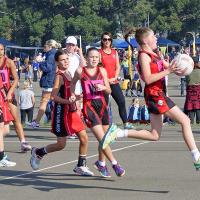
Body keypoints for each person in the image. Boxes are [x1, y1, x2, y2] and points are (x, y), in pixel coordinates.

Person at [101, 27, 200, 171]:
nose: (156, 38)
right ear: (146, 40)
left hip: (158, 93)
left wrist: (182, 66)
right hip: (155, 94)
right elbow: (147, 78)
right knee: (185, 120)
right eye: (154, 36)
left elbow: (170, 68)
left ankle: (118, 132)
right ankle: (196, 155)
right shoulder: (144, 56)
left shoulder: (155, 54)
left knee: (154, 135)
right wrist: (168, 71)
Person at [30, 50, 94, 176]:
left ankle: (81, 165)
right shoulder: (59, 76)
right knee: (61, 145)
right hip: (61, 113)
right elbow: (53, 97)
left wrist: (77, 96)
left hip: (72, 111)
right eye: (63, 60)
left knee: (84, 138)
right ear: (57, 62)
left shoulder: (69, 73)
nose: (66, 61)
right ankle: (38, 152)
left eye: (67, 59)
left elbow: (69, 93)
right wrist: (67, 101)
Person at [70, 47, 125, 178]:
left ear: (99, 59)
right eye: (91, 57)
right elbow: (72, 84)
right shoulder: (80, 71)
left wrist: (103, 87)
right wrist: (73, 95)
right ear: (86, 58)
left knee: (105, 138)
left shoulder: (102, 71)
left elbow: (109, 91)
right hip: (89, 107)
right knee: (103, 138)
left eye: (96, 57)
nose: (94, 59)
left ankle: (101, 163)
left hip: (102, 105)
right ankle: (115, 164)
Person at [99, 32, 134, 129]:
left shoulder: (114, 52)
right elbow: (98, 69)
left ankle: (126, 123)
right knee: (104, 105)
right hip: (103, 83)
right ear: (102, 40)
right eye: (105, 39)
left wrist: (114, 77)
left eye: (109, 39)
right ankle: (103, 126)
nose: (107, 41)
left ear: (111, 41)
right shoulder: (99, 53)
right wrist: (106, 80)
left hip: (113, 82)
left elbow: (118, 66)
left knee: (121, 101)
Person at [0, 43, 31, 152]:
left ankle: (23, 142)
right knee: (4, 125)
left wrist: (10, 93)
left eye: (2, 49)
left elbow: (16, 79)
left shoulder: (8, 62)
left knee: (16, 118)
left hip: (8, 94)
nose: (0, 52)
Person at [31, 40, 59, 128]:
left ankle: (37, 121)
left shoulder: (51, 55)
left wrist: (39, 62)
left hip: (49, 81)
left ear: (50, 46)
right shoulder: (53, 53)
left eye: (45, 46)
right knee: (52, 102)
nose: (44, 48)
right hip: (52, 80)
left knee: (44, 101)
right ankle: (44, 121)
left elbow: (48, 68)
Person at [64, 36, 86, 139]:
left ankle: (74, 128)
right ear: (66, 44)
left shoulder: (77, 56)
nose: (71, 47)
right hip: (65, 85)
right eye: (69, 44)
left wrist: (80, 53)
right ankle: (70, 129)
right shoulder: (63, 55)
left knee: (76, 108)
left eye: (73, 45)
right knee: (69, 108)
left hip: (76, 85)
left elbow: (84, 65)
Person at [0, 74, 16, 167]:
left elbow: (2, 88)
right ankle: (1, 157)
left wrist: (5, 104)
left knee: (6, 130)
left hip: (2, 102)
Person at [184, 56, 200, 124]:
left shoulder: (188, 72)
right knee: (198, 105)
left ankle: (191, 120)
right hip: (198, 90)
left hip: (190, 90)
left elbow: (187, 81)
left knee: (190, 105)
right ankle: (198, 120)